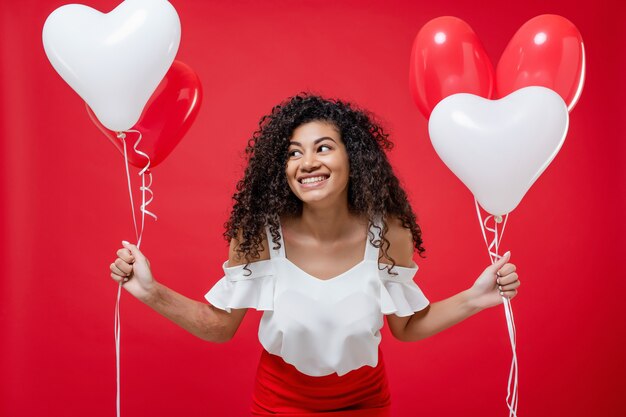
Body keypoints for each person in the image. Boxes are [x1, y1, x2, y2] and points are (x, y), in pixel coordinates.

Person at [110, 94, 520, 417]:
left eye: (323, 148)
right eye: (292, 153)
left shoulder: (389, 233)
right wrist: (150, 292)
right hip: (280, 403)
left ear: (352, 159)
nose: (307, 163)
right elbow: (219, 327)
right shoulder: (258, 235)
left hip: (365, 403)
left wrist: (477, 297)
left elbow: (406, 327)